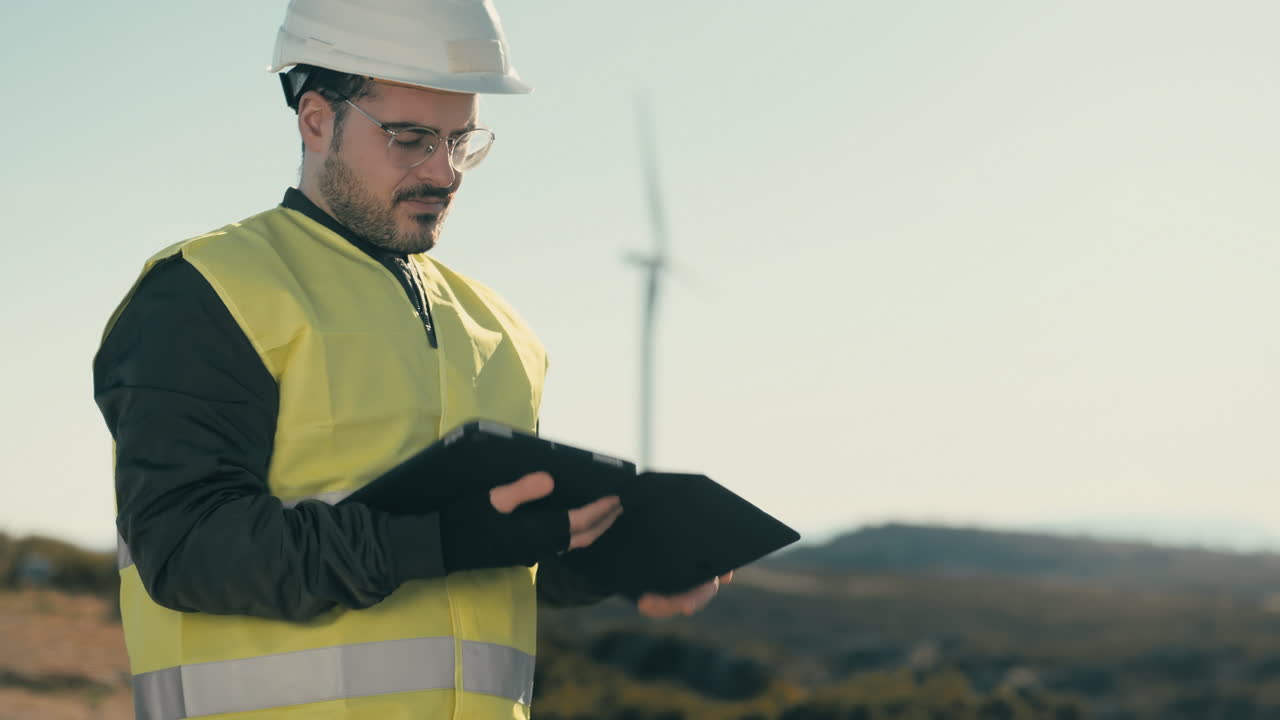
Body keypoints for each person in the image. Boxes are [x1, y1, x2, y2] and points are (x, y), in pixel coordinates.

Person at [92, 1, 729, 718]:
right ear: (315, 119)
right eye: (411, 139)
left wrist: (612, 563)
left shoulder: (502, 331)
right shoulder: (211, 292)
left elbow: (485, 568)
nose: (445, 173)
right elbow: (188, 549)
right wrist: (442, 538)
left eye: (462, 141)